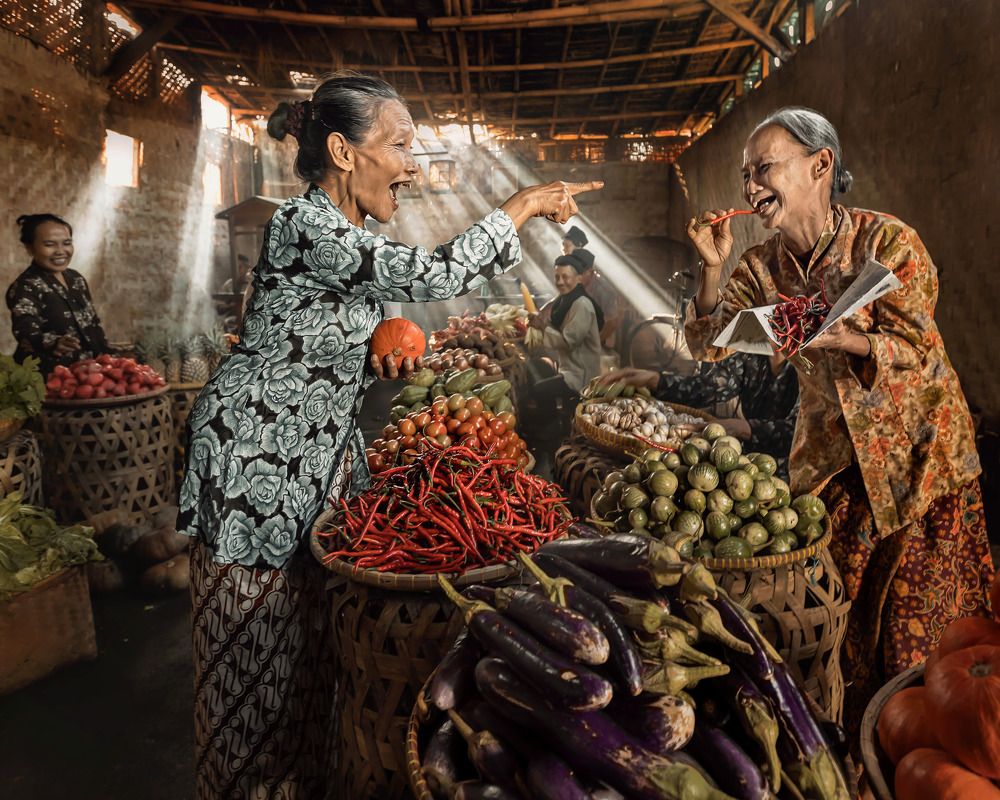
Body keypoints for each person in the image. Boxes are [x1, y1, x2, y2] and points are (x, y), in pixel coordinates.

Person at [176, 73, 600, 800]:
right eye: (399, 144)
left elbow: (314, 345)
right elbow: (433, 272)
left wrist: (374, 358)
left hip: (313, 463)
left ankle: (298, 784)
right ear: (342, 151)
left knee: (307, 652)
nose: (412, 164)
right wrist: (523, 202)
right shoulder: (299, 222)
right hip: (254, 465)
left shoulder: (345, 237)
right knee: (253, 662)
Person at [682, 106, 993, 734]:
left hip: (920, 466)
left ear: (820, 164)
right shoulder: (760, 268)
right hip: (835, 467)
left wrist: (841, 337)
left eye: (763, 169)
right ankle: (852, 746)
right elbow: (708, 344)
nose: (749, 189)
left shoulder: (888, 242)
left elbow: (916, 350)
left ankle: (920, 747)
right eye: (746, 177)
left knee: (926, 640)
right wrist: (713, 269)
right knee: (837, 628)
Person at [601, 352, 799, 478]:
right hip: (740, 459)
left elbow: (798, 431)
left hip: (790, 468)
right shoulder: (750, 354)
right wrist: (655, 380)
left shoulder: (812, 366)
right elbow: (707, 389)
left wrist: (739, 427)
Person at [6, 213, 109, 376]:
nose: (61, 251)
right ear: (30, 248)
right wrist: (53, 343)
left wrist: (109, 358)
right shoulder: (25, 286)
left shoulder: (76, 279)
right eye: (49, 244)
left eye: (67, 243)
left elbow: (93, 324)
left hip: (88, 376)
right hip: (49, 378)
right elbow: (25, 331)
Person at [525, 253, 604, 440]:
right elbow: (555, 331)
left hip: (581, 375)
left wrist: (543, 327)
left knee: (539, 390)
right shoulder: (565, 300)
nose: (560, 281)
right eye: (557, 277)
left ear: (578, 279)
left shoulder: (582, 305)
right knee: (532, 368)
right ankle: (552, 423)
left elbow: (569, 342)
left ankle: (553, 430)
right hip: (568, 368)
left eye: (565, 277)